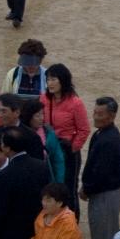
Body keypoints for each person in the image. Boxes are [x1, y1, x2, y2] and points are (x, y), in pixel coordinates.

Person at [81, 97, 120, 239]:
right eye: (95, 113)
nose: (96, 117)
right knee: (105, 233)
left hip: (105, 194)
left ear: (112, 116)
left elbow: (101, 174)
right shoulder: (104, 134)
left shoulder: (107, 139)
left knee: (103, 236)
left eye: (100, 114)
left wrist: (87, 188)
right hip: (105, 192)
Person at [42, 63, 89, 208]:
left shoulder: (75, 103)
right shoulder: (43, 99)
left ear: (63, 80)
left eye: (53, 79)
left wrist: (73, 149)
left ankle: (70, 224)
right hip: (48, 149)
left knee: (68, 189)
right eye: (48, 79)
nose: (50, 83)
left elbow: (84, 130)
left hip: (66, 151)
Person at [20, 98, 63, 182]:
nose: (41, 118)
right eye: (37, 115)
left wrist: (59, 182)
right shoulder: (19, 133)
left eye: (42, 114)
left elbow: (58, 160)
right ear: (28, 116)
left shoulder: (49, 133)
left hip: (45, 178)